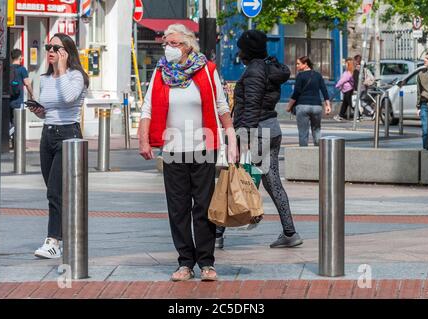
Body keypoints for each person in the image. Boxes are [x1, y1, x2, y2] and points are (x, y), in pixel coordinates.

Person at [138, 24, 237, 281]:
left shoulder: (206, 70)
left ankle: (206, 262)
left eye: (173, 43)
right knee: (178, 207)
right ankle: (185, 262)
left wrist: (231, 137)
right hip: (172, 149)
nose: (167, 48)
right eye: (165, 44)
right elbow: (147, 108)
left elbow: (221, 105)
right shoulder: (160, 73)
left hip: (203, 147)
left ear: (187, 45)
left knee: (203, 206)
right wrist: (144, 140)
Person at [216, 30, 303, 250]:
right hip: (271, 129)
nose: (239, 51)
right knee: (272, 182)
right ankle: (290, 232)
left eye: (241, 47)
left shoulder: (255, 70)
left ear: (248, 49)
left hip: (256, 132)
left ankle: (216, 233)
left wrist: (242, 137)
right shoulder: (269, 66)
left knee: (234, 179)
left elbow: (252, 104)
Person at [28, 33, 88, 259]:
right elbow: (51, 109)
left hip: (68, 134)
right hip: (49, 134)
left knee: (55, 191)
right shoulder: (45, 78)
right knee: (54, 191)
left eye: (56, 48)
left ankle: (53, 241)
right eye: (48, 47)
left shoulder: (76, 76)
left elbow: (70, 99)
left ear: (67, 52)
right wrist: (40, 111)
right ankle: (64, 236)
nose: (50, 51)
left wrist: (62, 70)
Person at [287, 56, 331, 146]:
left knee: (303, 132)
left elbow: (296, 93)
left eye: (298, 64)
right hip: (317, 106)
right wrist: (328, 105)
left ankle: (304, 154)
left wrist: (289, 106)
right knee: (317, 130)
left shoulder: (300, 76)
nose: (297, 66)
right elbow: (324, 90)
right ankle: (320, 152)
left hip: (303, 106)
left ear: (305, 64)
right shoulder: (318, 75)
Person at [9, 49, 34, 137]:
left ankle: (10, 139)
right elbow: (27, 83)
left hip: (8, 100)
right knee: (18, 123)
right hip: (18, 100)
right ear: (20, 57)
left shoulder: (8, 68)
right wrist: (32, 94)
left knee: (10, 121)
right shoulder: (22, 69)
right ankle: (10, 136)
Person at [417, 51, 428, 149]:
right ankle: (425, 150)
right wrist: (418, 107)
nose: (425, 60)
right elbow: (419, 91)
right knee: (425, 130)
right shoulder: (421, 74)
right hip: (425, 104)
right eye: (425, 58)